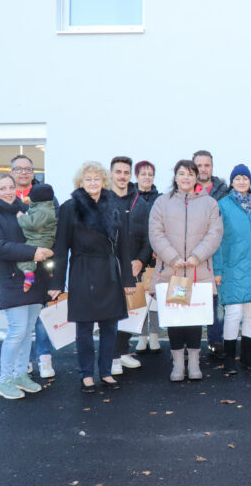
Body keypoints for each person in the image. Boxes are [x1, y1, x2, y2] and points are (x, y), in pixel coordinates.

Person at [48, 162, 135, 393]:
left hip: (109, 273)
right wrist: (56, 282)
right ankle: (86, 375)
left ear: (104, 181)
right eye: (88, 179)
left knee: (110, 327)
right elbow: (61, 247)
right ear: (81, 182)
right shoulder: (69, 208)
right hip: (82, 270)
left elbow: (124, 247)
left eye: (97, 179)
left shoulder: (115, 206)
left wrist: (128, 280)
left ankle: (105, 373)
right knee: (84, 327)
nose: (93, 183)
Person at [0, 173, 53, 399]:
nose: (9, 191)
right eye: (2, 188)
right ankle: (4, 381)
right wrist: (33, 252)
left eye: (11, 187)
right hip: (12, 280)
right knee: (17, 331)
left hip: (33, 278)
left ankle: (21, 375)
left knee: (27, 331)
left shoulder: (23, 210)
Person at [148, 160, 223, 381]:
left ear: (196, 177)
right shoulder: (162, 203)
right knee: (175, 320)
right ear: (175, 177)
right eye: (182, 174)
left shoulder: (209, 203)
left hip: (197, 271)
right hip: (171, 271)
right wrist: (173, 257)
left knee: (193, 320)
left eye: (191, 174)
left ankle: (195, 362)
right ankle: (178, 364)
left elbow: (215, 233)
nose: (186, 178)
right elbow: (156, 233)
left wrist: (195, 257)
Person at [213, 164, 251, 375]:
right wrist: (217, 270)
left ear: (250, 181)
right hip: (232, 268)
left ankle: (248, 356)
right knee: (233, 313)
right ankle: (229, 358)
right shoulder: (222, 206)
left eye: (245, 177)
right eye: (237, 178)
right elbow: (216, 240)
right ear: (231, 182)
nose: (241, 181)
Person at [9, 154, 59, 379]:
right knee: (21, 319)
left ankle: (45, 358)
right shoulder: (7, 196)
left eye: (28, 168)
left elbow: (56, 228)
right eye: (18, 169)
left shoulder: (46, 195)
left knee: (43, 315)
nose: (24, 172)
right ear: (12, 172)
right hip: (16, 265)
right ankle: (24, 361)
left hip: (44, 263)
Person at [108, 156, 152, 376]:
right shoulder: (103, 200)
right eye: (118, 172)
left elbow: (148, 237)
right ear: (111, 174)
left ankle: (123, 350)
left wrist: (141, 260)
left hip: (134, 267)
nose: (122, 176)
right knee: (113, 313)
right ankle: (112, 356)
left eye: (126, 172)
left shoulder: (140, 203)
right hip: (109, 267)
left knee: (133, 310)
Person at [193, 150, 229, 359]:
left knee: (218, 301)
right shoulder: (186, 190)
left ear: (212, 168)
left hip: (218, 252)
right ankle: (193, 344)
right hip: (194, 254)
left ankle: (216, 341)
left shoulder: (224, 192)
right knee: (195, 299)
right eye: (199, 165)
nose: (203, 169)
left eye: (207, 165)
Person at [133, 160, 162, 354]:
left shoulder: (160, 198)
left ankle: (154, 336)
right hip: (137, 256)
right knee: (139, 298)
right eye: (143, 174)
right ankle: (141, 336)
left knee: (155, 297)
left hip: (157, 256)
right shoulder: (131, 198)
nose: (147, 177)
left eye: (150, 174)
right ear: (137, 176)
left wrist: (158, 247)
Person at [15, 183, 57, 293]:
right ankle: (51, 273)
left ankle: (28, 275)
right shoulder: (46, 208)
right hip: (43, 240)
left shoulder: (43, 211)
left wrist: (21, 217)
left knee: (24, 256)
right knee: (43, 260)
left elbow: (32, 223)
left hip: (39, 240)